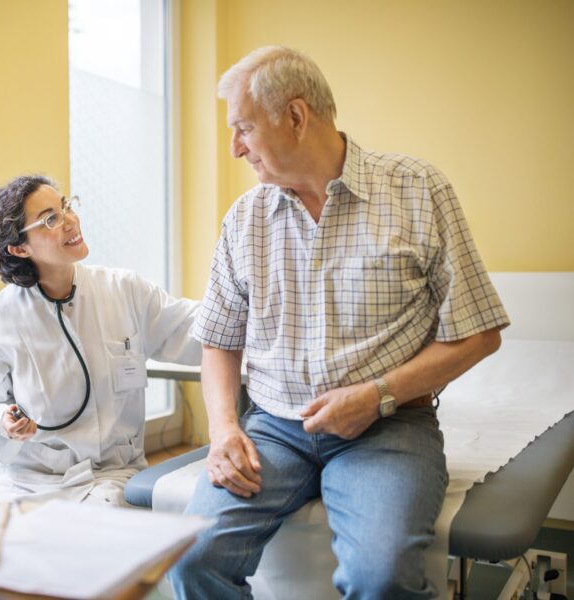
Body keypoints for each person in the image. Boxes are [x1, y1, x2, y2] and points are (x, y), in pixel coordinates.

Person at [169, 46, 510, 599]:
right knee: (190, 559)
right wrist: (225, 428)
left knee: (380, 578)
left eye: (243, 129)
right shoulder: (245, 219)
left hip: (389, 428)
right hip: (274, 428)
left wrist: (377, 395)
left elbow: (479, 333)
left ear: (296, 117)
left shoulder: (418, 192)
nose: (235, 148)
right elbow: (219, 342)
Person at [0, 174, 200, 506]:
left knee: (96, 534)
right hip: (26, 480)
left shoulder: (124, 290)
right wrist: (3, 424)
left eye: (64, 206)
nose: (70, 221)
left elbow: (194, 327)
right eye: (50, 219)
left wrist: (254, 310)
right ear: (19, 247)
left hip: (109, 477)